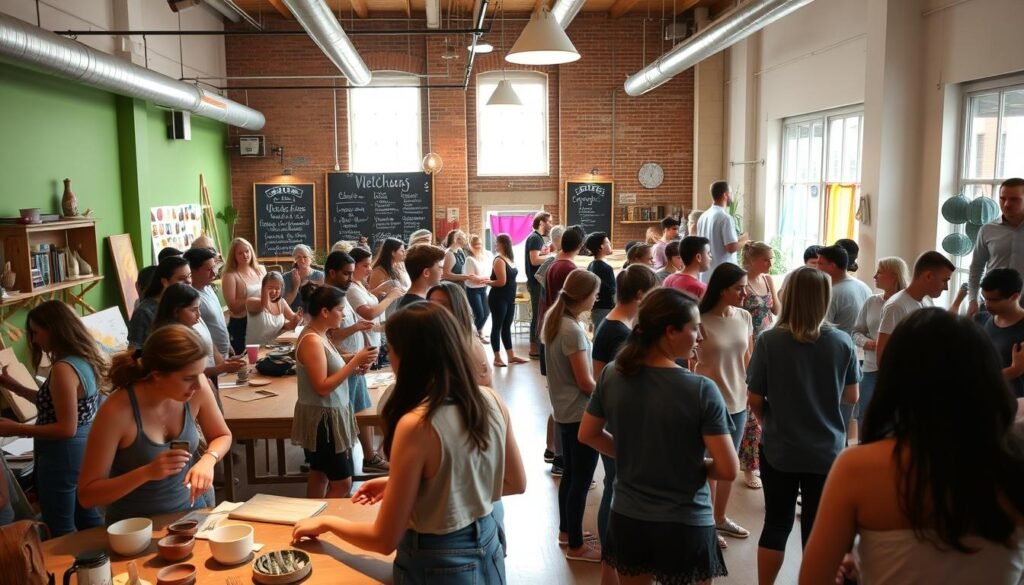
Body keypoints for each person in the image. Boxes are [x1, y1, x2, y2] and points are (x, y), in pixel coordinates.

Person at [291, 303, 527, 584]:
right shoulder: (489, 400)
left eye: (390, 350)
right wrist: (401, 484)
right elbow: (514, 482)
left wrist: (327, 522)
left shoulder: (416, 424)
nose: (387, 356)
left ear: (409, 357)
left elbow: (383, 540)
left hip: (437, 559)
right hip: (489, 542)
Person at [799, 309, 1024, 585]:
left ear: (897, 378)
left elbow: (812, 579)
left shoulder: (857, 468)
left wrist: (869, 565)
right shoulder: (1014, 466)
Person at [579, 288, 736, 585]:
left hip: (628, 517)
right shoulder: (702, 390)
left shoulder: (613, 374)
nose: (700, 337)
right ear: (670, 331)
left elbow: (588, 434)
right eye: (694, 328)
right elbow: (727, 469)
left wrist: (631, 454)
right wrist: (690, 465)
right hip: (685, 520)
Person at [746, 266, 860, 585]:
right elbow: (852, 395)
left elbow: (755, 397)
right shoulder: (841, 342)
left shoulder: (770, 341)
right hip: (826, 450)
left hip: (779, 447)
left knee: (776, 524)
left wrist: (770, 421)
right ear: (825, 299)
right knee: (817, 528)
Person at [78, 325, 232, 523]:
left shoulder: (197, 387)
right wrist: (146, 473)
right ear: (157, 375)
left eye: (200, 374)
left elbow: (222, 435)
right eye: (188, 378)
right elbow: (88, 495)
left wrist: (208, 460)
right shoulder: (117, 411)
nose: (198, 385)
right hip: (134, 529)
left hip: (191, 516)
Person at [0, 301, 105, 536]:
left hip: (63, 452)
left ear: (54, 329)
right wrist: (14, 386)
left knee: (60, 525)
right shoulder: (83, 359)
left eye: (37, 332)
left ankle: (68, 571)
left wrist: (16, 428)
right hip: (83, 446)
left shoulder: (63, 369)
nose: (35, 340)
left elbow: (66, 427)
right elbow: (54, 404)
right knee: (86, 516)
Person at [589, 265, 658, 584]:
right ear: (641, 294)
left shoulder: (620, 324)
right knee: (617, 491)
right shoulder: (616, 330)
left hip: (620, 421)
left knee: (615, 489)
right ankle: (613, 560)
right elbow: (604, 379)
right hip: (619, 424)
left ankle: (612, 563)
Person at [292, 286, 378, 498]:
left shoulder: (320, 334)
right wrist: (354, 362)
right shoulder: (312, 340)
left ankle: (310, 522)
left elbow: (328, 364)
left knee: (319, 474)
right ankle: (321, 524)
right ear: (325, 312)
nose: (345, 314)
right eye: (340, 309)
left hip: (328, 415)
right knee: (342, 483)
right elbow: (321, 386)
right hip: (324, 419)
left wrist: (353, 361)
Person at [543, 269, 602, 562]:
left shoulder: (558, 322)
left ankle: (568, 531)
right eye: (595, 293)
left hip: (564, 411)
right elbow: (585, 381)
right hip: (579, 412)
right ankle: (577, 546)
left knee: (571, 476)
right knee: (581, 480)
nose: (598, 298)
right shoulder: (572, 330)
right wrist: (607, 397)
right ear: (583, 296)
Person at [696, 263, 754, 548]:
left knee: (729, 466)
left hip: (738, 401)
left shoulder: (744, 316)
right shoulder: (699, 319)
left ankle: (720, 517)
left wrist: (751, 394)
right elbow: (688, 362)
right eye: (739, 288)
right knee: (708, 465)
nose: (745, 292)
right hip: (708, 403)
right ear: (722, 290)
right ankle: (705, 523)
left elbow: (748, 360)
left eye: (745, 287)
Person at [322, 252, 388, 473]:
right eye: (346, 273)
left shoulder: (342, 293)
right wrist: (356, 339)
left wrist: (366, 351)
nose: (350, 278)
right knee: (344, 416)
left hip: (355, 363)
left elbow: (355, 325)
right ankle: (344, 459)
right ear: (331, 272)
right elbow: (329, 338)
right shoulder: (326, 298)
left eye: (352, 273)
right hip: (342, 366)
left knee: (361, 411)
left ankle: (369, 456)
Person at [738, 241, 780, 491]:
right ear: (752, 259)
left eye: (771, 259)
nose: (770, 264)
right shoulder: (742, 282)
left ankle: (757, 459)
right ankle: (748, 465)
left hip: (766, 344)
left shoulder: (768, 280)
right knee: (750, 406)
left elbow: (775, 309)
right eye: (766, 259)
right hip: (748, 346)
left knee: (764, 402)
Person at [851, 257, 909, 432]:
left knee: (896, 417)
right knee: (866, 414)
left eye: (879, 272)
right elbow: (856, 332)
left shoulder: (907, 302)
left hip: (899, 370)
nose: (874, 276)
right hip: (870, 368)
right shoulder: (872, 301)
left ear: (893, 276)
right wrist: (867, 343)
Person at [154, 283, 245, 385]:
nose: (199, 314)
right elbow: (188, 373)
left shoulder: (191, 327)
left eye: (199, 308)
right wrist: (221, 368)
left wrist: (225, 363)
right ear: (176, 311)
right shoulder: (171, 340)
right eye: (193, 310)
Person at [875, 251, 955, 364]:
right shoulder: (896, 306)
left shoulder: (927, 300)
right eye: (944, 280)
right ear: (928, 276)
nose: (946, 287)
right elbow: (882, 358)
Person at [968, 177, 1024, 316]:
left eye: (1014, 199)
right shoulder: (987, 230)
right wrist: (972, 299)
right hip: (991, 304)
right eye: (1002, 198)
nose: (1006, 204)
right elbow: (976, 267)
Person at [427, 282, 492, 387]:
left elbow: (485, 383)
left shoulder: (467, 342)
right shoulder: (433, 336)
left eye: (443, 304)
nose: (435, 309)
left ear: (457, 307)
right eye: (431, 303)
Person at [974, 268, 1024, 398]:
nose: (987, 304)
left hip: (1016, 407)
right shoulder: (980, 319)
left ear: (1015, 297)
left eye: (994, 300)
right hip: (986, 400)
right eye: (984, 298)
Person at [127, 255, 191, 349]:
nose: (189, 281)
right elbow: (134, 351)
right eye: (181, 279)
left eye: (190, 276)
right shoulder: (144, 312)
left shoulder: (183, 303)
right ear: (165, 282)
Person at [347, 247, 403, 350]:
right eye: (365, 265)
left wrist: (376, 291)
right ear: (352, 266)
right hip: (363, 344)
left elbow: (362, 298)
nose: (370, 269)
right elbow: (369, 314)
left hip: (373, 338)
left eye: (369, 265)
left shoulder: (359, 284)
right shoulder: (351, 289)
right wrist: (390, 297)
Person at [488, 233, 528, 367]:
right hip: (498, 298)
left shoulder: (508, 259)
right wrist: (487, 282)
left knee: (506, 327)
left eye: (497, 242)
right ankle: (497, 357)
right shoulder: (498, 260)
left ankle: (511, 356)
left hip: (509, 298)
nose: (495, 245)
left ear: (503, 244)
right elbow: (501, 282)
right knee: (497, 327)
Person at [221, 237, 266, 355]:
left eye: (247, 251)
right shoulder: (230, 276)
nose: (245, 255)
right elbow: (233, 307)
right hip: (242, 324)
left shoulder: (261, 270)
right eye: (240, 253)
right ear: (233, 256)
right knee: (245, 359)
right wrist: (254, 301)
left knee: (264, 354)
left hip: (262, 320)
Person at [183, 247, 230, 360]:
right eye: (209, 269)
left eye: (214, 268)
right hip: (209, 361)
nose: (214, 273)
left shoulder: (208, 288)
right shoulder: (191, 299)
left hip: (224, 356)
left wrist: (228, 345)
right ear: (193, 271)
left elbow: (218, 319)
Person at [696, 180, 748, 282]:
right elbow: (731, 247)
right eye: (731, 193)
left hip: (706, 273)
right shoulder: (725, 218)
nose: (732, 196)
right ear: (725, 195)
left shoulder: (703, 216)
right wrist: (745, 241)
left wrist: (738, 239)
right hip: (723, 274)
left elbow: (714, 241)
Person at [818, 245, 871, 335]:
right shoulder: (865, 287)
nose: (816, 268)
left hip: (836, 346)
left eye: (820, 264)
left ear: (832, 266)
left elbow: (822, 329)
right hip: (858, 346)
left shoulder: (831, 293)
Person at [245, 271, 301, 346]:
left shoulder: (281, 302)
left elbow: (290, 323)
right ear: (263, 288)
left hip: (275, 349)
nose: (274, 291)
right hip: (256, 350)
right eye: (270, 288)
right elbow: (265, 305)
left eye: (278, 288)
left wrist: (297, 318)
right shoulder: (251, 301)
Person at [526, 211, 554, 358]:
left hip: (538, 282)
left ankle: (536, 347)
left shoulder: (539, 239)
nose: (551, 224)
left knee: (540, 314)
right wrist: (553, 257)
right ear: (541, 223)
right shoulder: (535, 238)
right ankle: (534, 348)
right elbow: (534, 260)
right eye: (549, 221)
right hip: (536, 283)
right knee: (537, 316)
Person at [464, 234, 492, 340]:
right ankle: (470, 336)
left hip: (483, 289)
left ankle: (478, 332)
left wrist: (481, 278)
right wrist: (484, 279)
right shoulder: (469, 259)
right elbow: (471, 278)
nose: (478, 246)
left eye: (479, 243)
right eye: (475, 244)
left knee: (487, 313)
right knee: (479, 314)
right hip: (473, 290)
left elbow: (490, 273)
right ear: (470, 246)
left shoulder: (485, 257)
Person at [585, 232, 615, 330]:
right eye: (608, 243)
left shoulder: (591, 265)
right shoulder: (605, 268)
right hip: (605, 310)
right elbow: (612, 292)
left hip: (596, 309)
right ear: (601, 246)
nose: (610, 245)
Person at [369, 238, 410, 308]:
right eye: (402, 251)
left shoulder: (400, 265)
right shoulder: (378, 271)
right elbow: (374, 296)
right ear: (393, 253)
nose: (404, 253)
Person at [283, 244, 325, 311]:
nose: (302, 260)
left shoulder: (320, 276)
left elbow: (325, 302)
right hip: (293, 314)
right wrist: (295, 287)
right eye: (298, 257)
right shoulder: (286, 277)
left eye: (305, 257)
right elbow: (284, 305)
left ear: (311, 258)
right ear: (294, 259)